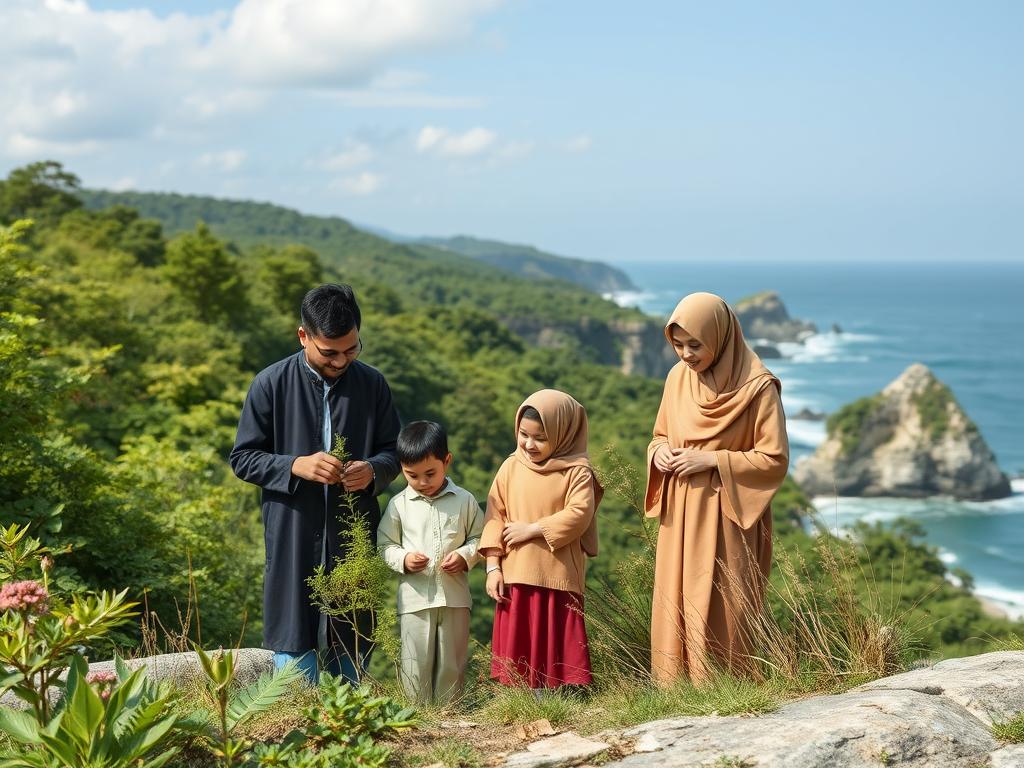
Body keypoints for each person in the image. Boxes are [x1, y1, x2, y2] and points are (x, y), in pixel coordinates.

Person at [230, 283, 401, 683]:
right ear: (303, 336)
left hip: (352, 532)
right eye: (330, 352)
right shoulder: (270, 384)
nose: (342, 360)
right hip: (293, 531)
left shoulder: (372, 384)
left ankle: (351, 725)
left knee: (353, 639)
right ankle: (297, 724)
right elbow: (242, 458)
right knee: (294, 639)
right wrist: (295, 466)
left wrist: (374, 471)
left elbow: (395, 451)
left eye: (352, 349)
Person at [646, 292, 789, 684]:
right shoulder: (677, 379)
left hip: (729, 514)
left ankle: (727, 688)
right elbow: (660, 434)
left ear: (721, 337)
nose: (686, 355)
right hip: (680, 513)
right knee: (676, 596)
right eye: (678, 345)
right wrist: (658, 454)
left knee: (727, 601)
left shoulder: (759, 388)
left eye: (696, 344)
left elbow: (773, 459)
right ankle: (675, 690)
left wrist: (710, 460)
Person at [479, 389, 602, 689]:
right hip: (516, 574)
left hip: (558, 574)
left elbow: (580, 513)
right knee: (519, 649)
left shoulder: (577, 472)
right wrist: (493, 567)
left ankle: (557, 703)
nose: (529, 445)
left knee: (555, 648)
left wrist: (533, 529)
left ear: (563, 434)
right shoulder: (511, 466)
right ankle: (522, 705)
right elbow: (496, 515)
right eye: (524, 435)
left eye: (540, 438)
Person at [377, 421, 483, 704]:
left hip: (454, 598)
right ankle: (415, 717)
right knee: (415, 663)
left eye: (430, 473)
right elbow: (385, 545)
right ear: (401, 468)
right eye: (412, 475)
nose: (422, 482)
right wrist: (404, 559)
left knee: (452, 662)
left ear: (446, 461)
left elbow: (482, 539)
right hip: (414, 600)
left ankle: (449, 715)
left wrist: (464, 556)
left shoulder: (465, 501)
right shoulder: (399, 505)